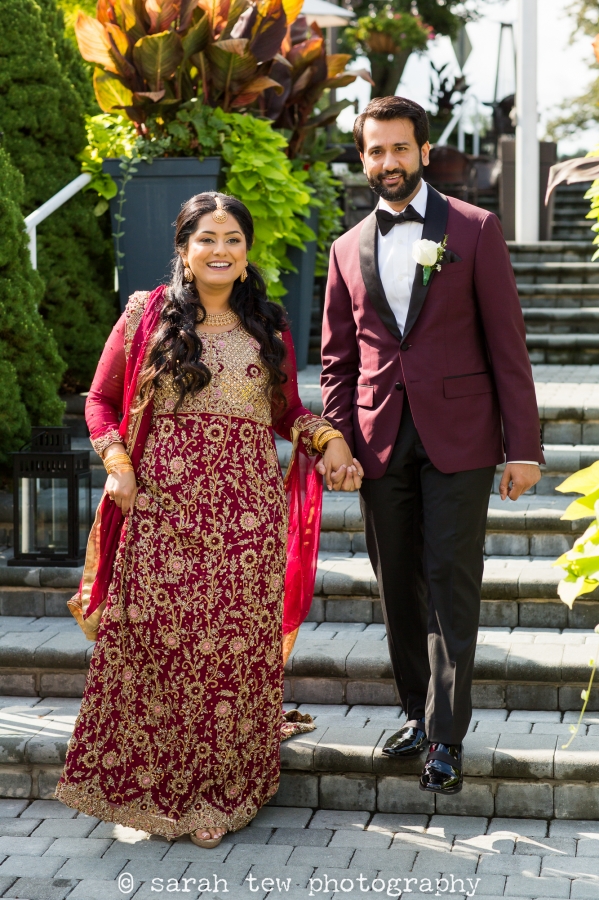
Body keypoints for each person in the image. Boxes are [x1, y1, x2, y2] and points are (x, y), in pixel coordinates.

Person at [54, 192, 362, 845]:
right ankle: (152, 788)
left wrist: (327, 438)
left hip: (246, 524)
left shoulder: (268, 326)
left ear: (246, 256)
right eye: (206, 239)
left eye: (233, 240)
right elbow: (100, 400)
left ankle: (221, 792)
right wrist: (117, 462)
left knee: (229, 657)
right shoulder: (145, 316)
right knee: (157, 649)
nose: (220, 250)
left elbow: (286, 412)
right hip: (160, 514)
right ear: (184, 250)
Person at [321, 97, 544, 795]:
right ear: (363, 158)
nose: (387, 161)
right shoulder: (344, 248)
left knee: (450, 577)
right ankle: (417, 715)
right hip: (377, 436)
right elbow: (337, 360)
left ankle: (446, 736)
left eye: (398, 148)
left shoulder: (475, 229)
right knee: (397, 584)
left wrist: (524, 446)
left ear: (424, 151)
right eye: (374, 150)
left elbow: (507, 344)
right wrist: (335, 439)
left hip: (462, 434)